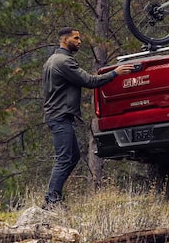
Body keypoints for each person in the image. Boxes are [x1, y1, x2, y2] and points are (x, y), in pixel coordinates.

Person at [42, 27, 133, 208]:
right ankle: (52, 200)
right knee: (64, 158)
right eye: (76, 38)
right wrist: (116, 73)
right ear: (64, 40)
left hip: (57, 115)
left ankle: (54, 197)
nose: (79, 41)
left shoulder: (52, 60)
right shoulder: (64, 62)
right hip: (60, 116)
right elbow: (90, 81)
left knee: (73, 156)